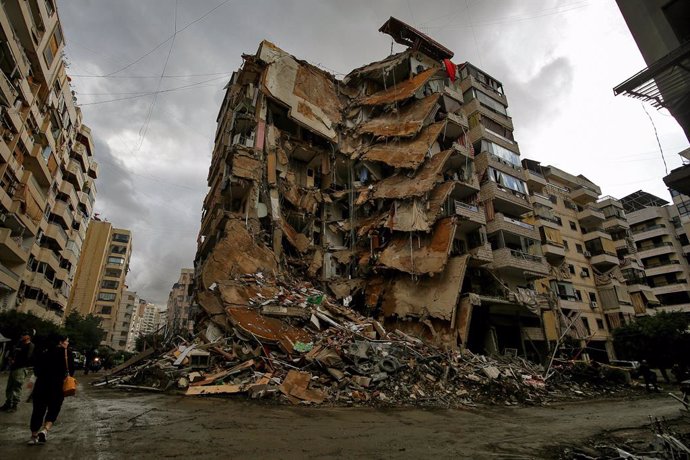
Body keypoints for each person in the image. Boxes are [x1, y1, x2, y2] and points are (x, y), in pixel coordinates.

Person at [27, 335, 74, 445]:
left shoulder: (43, 351)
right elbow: (71, 371)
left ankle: (34, 436)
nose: (68, 343)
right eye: (67, 341)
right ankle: (45, 430)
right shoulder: (67, 353)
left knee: (38, 410)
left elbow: (36, 370)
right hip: (58, 386)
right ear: (61, 342)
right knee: (54, 409)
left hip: (41, 385)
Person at [0, 330, 35, 413]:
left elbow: (28, 358)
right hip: (14, 368)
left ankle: (14, 405)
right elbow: (14, 352)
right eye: (22, 334)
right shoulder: (20, 343)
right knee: (9, 387)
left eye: (24, 335)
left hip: (21, 369)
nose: (22, 336)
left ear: (28, 336)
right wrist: (10, 358)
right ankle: (8, 403)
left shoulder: (30, 345)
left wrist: (17, 362)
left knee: (17, 387)